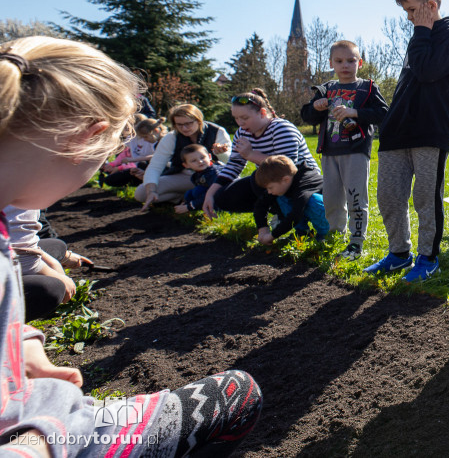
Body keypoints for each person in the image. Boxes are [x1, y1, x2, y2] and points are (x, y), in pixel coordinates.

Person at [0, 36, 261, 456]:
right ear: (87, 138)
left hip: (33, 406)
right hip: (48, 434)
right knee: (237, 395)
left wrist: (22, 344)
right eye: (107, 154)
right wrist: (42, 440)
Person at [364, 0, 449, 283]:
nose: (408, 18)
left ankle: (428, 258)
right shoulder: (418, 36)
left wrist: (421, 30)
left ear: (430, 5)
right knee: (389, 196)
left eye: (410, 10)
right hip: (397, 132)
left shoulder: (448, 33)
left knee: (425, 197)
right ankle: (398, 253)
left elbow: (428, 71)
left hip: (430, 131)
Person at [301, 40, 388, 260]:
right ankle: (334, 235)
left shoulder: (367, 87)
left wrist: (355, 113)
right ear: (331, 63)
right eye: (339, 61)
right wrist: (316, 107)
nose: (345, 65)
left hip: (356, 151)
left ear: (360, 62)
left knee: (356, 196)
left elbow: (383, 113)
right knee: (332, 198)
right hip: (329, 152)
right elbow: (306, 116)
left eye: (351, 60)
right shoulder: (325, 89)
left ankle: (356, 241)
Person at [202, 89, 319, 219]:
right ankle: (277, 212)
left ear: (262, 113)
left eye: (245, 118)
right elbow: (233, 166)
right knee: (223, 197)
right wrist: (210, 194)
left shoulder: (282, 128)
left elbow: (287, 166)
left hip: (300, 179)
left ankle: (292, 216)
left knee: (256, 179)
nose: (240, 123)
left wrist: (251, 155)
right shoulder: (242, 133)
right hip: (270, 180)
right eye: (236, 118)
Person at [136, 104, 230, 207]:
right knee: (141, 194)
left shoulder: (217, 132)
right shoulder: (171, 137)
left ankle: (195, 199)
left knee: (226, 191)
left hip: (214, 177)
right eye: (179, 125)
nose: (184, 128)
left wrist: (221, 153)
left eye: (188, 123)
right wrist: (151, 191)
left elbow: (230, 163)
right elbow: (155, 166)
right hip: (186, 177)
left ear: (198, 121)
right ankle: (181, 197)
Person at [252, 155, 328, 245]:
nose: (269, 192)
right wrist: (262, 229)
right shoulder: (284, 182)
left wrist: (272, 235)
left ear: (285, 179)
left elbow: (295, 215)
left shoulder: (303, 186)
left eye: (270, 188)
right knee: (281, 197)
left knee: (312, 200)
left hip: (331, 211)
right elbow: (261, 204)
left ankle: (326, 234)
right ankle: (302, 233)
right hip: (302, 207)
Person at [99, 117, 165, 188]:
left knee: (139, 166)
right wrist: (113, 164)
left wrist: (121, 168)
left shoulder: (156, 142)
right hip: (133, 166)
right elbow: (125, 152)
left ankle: (139, 184)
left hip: (143, 167)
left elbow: (154, 158)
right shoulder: (134, 137)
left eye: (128, 128)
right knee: (110, 176)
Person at [173, 143, 223, 214]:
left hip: (225, 197)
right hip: (213, 196)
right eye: (194, 161)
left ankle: (215, 211)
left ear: (209, 156)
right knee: (190, 193)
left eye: (202, 157)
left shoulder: (214, 173)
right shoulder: (198, 174)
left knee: (198, 191)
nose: (200, 161)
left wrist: (190, 206)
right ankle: (190, 208)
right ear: (186, 165)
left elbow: (216, 193)